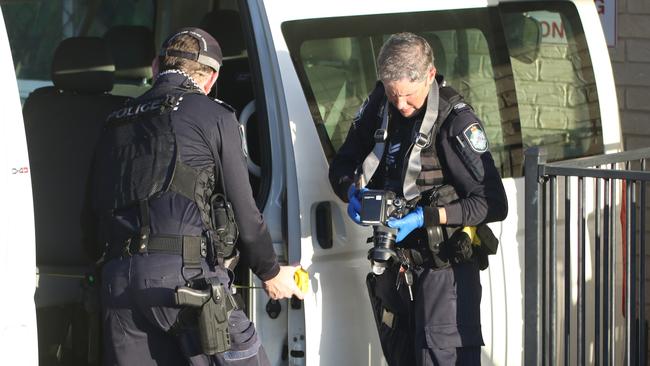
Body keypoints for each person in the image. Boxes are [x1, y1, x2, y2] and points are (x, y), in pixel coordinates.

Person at [92, 27, 303, 366]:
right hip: (187, 283)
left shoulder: (114, 122)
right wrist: (270, 271)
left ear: (155, 67)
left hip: (119, 287)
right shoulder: (214, 116)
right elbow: (245, 211)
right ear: (211, 78)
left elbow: (90, 212)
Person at [328, 32, 508, 365]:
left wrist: (426, 217)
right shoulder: (382, 103)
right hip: (398, 265)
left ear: (429, 75)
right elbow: (343, 162)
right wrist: (350, 192)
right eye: (393, 95)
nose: (401, 105)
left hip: (444, 268)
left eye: (408, 96)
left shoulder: (456, 122)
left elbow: (493, 203)